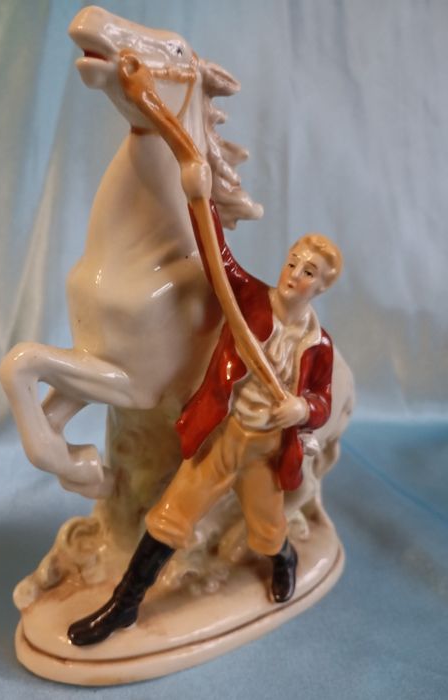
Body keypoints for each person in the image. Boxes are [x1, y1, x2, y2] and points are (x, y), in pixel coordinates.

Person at [68, 203, 342, 646]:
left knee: (267, 530)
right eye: (293, 262)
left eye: (308, 272)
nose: (294, 274)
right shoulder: (250, 299)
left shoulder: (317, 344)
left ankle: (284, 559)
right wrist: (200, 200)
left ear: (322, 286)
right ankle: (125, 603)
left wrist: (302, 408)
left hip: (267, 451)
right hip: (225, 438)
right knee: (169, 517)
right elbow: (218, 256)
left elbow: (322, 400)